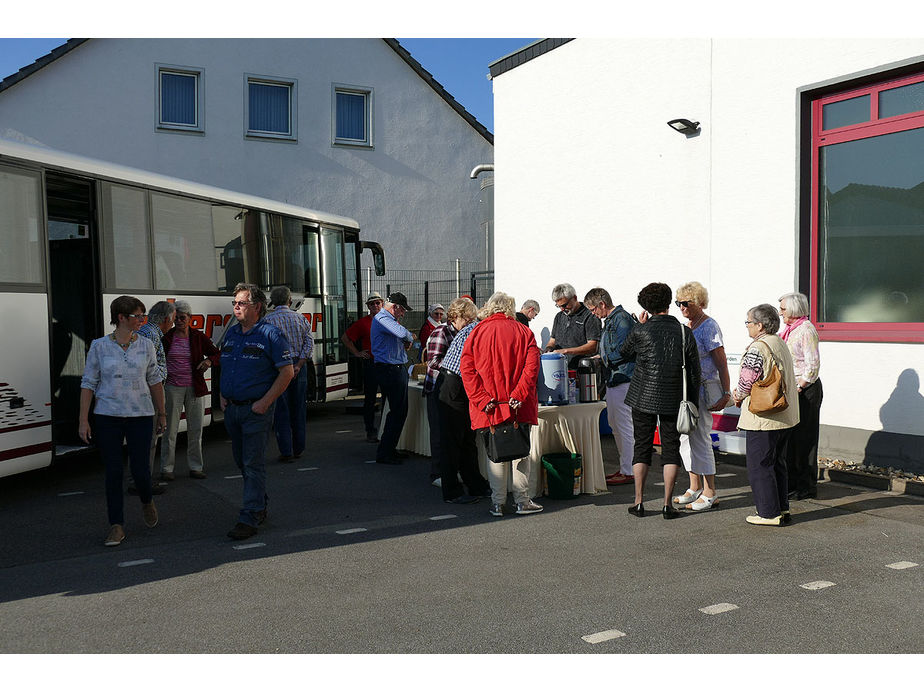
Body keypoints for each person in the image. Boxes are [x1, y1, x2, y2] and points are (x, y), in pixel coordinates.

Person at [78, 296, 166, 547]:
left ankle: (147, 499)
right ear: (121, 318)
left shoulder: (146, 345)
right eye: (138, 316)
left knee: (140, 471)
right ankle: (116, 525)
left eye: (143, 316)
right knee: (114, 472)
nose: (142, 320)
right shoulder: (99, 346)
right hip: (107, 415)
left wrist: (162, 413)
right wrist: (83, 420)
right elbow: (88, 384)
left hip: (140, 415)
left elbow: (155, 380)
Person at [619, 282, 700, 519]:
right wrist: (691, 401)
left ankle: (639, 502)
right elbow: (694, 372)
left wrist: (638, 326)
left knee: (641, 446)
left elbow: (622, 353)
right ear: (668, 303)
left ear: (646, 306)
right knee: (671, 448)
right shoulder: (685, 332)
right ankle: (667, 504)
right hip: (673, 397)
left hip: (642, 396)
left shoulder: (640, 330)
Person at [220, 283, 294, 540]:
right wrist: (222, 395)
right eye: (235, 303)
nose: (236, 308)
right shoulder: (231, 334)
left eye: (241, 303)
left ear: (257, 307)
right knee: (243, 462)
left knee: (253, 463)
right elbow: (225, 366)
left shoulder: (271, 334)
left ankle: (249, 517)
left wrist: (264, 403)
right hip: (233, 410)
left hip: (256, 411)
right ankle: (259, 503)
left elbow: (287, 372)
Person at [461, 291, 543, 517]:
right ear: (510, 308)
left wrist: (481, 399)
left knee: (494, 454)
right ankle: (522, 501)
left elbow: (467, 371)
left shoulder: (476, 332)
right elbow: (531, 369)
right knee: (520, 454)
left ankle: (497, 503)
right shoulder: (524, 332)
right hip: (517, 405)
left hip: (489, 406)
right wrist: (519, 394)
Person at [733, 304, 800, 526]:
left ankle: (768, 513)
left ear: (759, 325)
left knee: (760, 465)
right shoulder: (779, 342)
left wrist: (737, 396)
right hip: (785, 415)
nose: (747, 327)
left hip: (764, 418)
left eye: (748, 322)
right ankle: (781, 508)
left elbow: (746, 381)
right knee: (777, 463)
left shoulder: (758, 347)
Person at [673, 282, 732, 511]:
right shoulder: (687, 325)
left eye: (686, 303)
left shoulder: (709, 326)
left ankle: (710, 492)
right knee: (686, 437)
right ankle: (694, 486)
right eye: (679, 303)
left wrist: (726, 392)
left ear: (699, 302)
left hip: (704, 388)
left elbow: (721, 361)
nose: (682, 307)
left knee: (701, 438)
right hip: (688, 390)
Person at [431, 298, 489, 501]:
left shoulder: (473, 328)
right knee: (454, 442)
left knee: (466, 440)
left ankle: (476, 485)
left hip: (454, 384)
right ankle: (452, 491)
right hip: (453, 385)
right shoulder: (478, 330)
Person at [160, 299, 221, 480]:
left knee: (196, 430)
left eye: (182, 317)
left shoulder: (197, 336)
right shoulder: (167, 337)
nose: (179, 321)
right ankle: (166, 468)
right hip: (172, 388)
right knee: (169, 430)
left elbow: (216, 353)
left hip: (195, 387)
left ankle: (196, 466)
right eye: (176, 318)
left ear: (190, 318)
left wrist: (209, 361)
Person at [583, 288, 636, 486]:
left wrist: (603, 358)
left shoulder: (620, 320)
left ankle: (629, 469)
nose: (593, 313)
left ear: (602, 304)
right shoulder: (614, 320)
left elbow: (623, 350)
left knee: (623, 426)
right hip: (615, 379)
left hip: (622, 379)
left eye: (593, 309)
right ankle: (625, 468)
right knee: (617, 425)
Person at [778, 292, 823, 500]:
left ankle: (807, 486)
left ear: (795, 309)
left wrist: (800, 386)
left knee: (805, 438)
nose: (780, 312)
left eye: (783, 308)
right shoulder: (788, 330)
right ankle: (793, 482)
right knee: (792, 438)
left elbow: (812, 364)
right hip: (792, 388)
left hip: (806, 389)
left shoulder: (806, 330)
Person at [263, 286, 314, 462]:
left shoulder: (267, 321)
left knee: (281, 410)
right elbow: (309, 344)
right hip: (298, 366)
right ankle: (299, 448)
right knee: (298, 408)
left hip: (278, 369)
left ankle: (286, 451)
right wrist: (299, 364)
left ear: (272, 302)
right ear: (289, 301)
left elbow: (266, 348)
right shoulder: (300, 318)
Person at [130, 300, 175, 495]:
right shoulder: (151, 335)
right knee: (148, 441)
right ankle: (142, 481)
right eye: (172, 320)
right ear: (165, 319)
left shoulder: (147, 331)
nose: (172, 325)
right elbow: (149, 372)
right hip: (148, 395)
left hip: (143, 394)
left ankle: (140, 479)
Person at [370, 292, 416, 465]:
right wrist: (409, 337)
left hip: (393, 368)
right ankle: (385, 452)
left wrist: (407, 338)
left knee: (398, 411)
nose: (403, 314)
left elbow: (402, 336)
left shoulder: (386, 320)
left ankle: (389, 449)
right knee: (398, 411)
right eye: (402, 310)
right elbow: (403, 334)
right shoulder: (383, 319)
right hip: (390, 369)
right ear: (395, 307)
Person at [341, 292, 385, 442]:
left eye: (377, 303)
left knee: (387, 398)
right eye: (372, 304)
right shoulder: (363, 323)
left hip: (386, 364)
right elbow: (346, 338)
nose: (375, 306)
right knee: (370, 398)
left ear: (382, 304)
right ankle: (370, 430)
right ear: (368, 306)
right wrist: (357, 353)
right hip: (371, 363)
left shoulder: (389, 321)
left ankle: (386, 430)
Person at [544, 283, 602, 369]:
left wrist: (566, 351)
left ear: (574, 298)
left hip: (583, 370)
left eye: (564, 305)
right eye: (558, 306)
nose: (562, 309)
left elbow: (593, 346)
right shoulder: (559, 316)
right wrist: (548, 349)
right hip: (560, 369)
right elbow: (553, 340)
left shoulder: (590, 316)